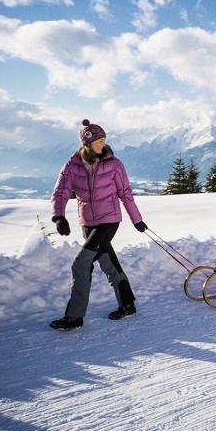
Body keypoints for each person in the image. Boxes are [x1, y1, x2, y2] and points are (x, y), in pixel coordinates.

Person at [49, 119, 148, 331]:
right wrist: (59, 216)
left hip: (109, 221)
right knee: (108, 263)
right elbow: (61, 192)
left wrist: (136, 219)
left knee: (81, 264)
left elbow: (125, 193)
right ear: (88, 142)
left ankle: (74, 317)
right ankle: (128, 304)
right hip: (87, 222)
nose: (103, 144)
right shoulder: (72, 165)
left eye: (104, 140)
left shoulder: (114, 164)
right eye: (99, 141)